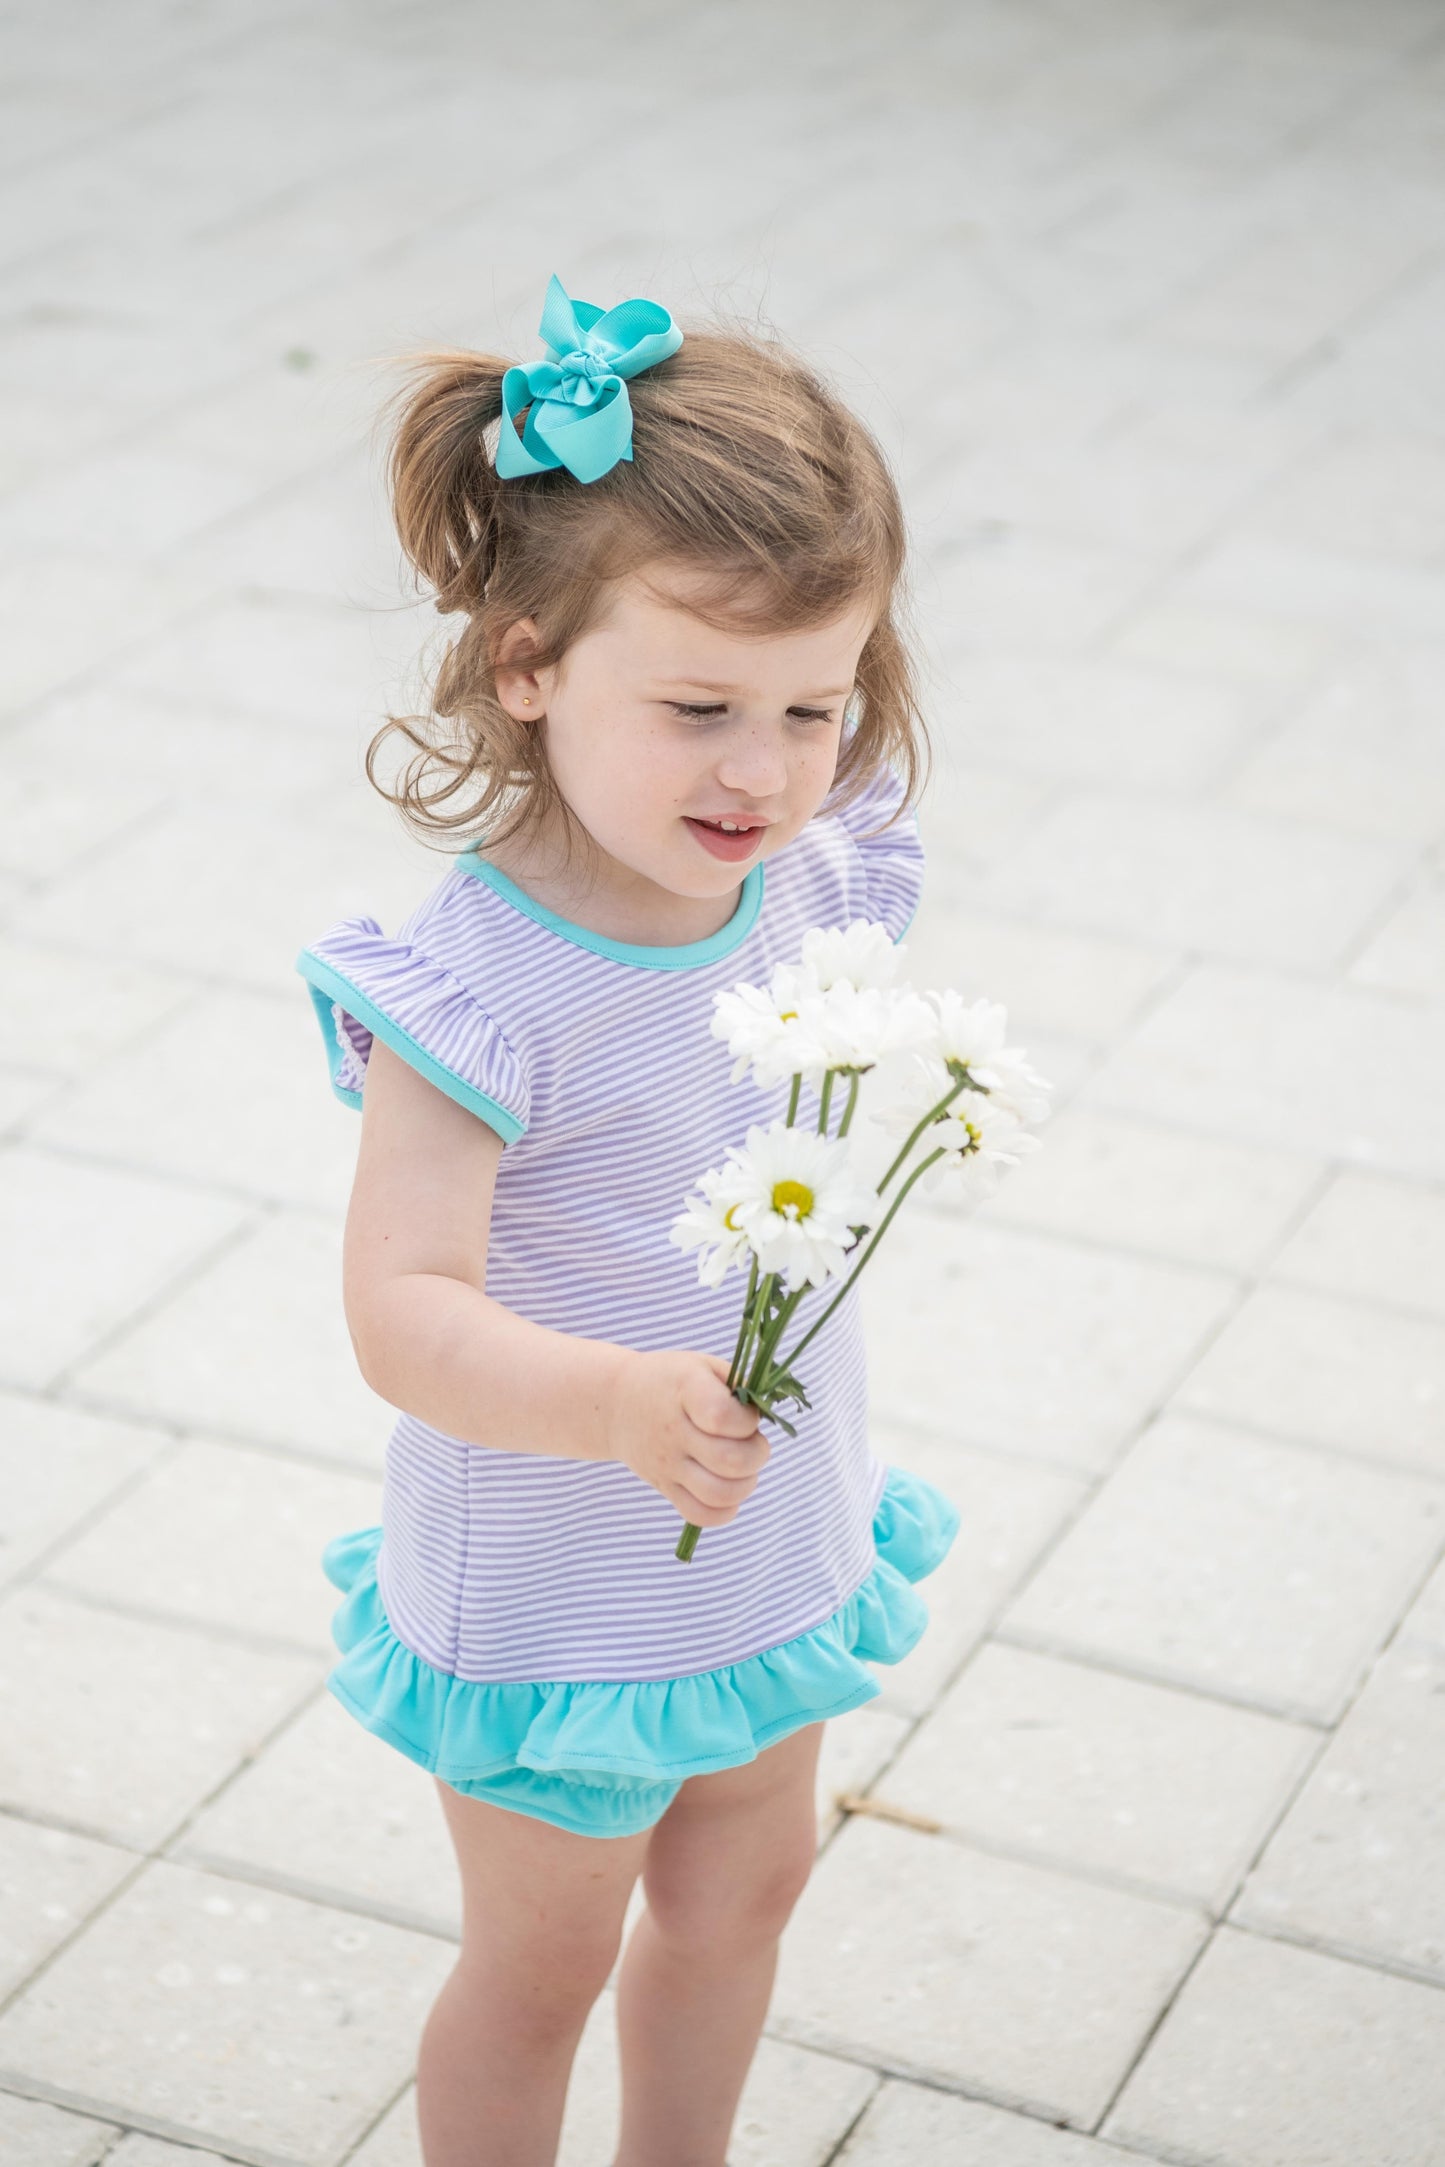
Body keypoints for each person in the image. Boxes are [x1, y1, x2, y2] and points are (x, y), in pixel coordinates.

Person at [295, 273, 961, 2167]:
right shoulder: (477, 990)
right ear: (526, 668)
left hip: (765, 1530)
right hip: (562, 1583)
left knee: (744, 1899)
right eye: (695, 708)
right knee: (542, 1966)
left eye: (808, 705)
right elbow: (401, 1309)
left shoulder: (819, 866)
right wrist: (604, 1402)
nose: (758, 770)